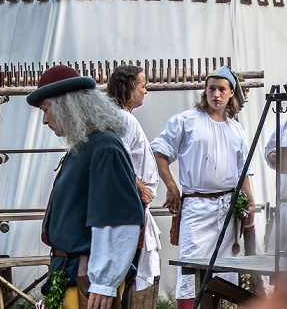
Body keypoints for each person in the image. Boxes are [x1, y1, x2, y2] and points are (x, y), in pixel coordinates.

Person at [27, 65, 145, 309]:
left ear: (68, 107)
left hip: (88, 281)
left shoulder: (105, 148)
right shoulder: (85, 145)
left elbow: (119, 219)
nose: (45, 120)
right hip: (74, 273)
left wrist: (104, 281)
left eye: (47, 110)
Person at [150, 65, 255, 309]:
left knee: (222, 270)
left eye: (221, 89)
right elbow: (159, 151)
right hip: (196, 208)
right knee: (191, 269)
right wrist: (171, 187)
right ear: (204, 92)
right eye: (211, 89)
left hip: (227, 209)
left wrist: (250, 202)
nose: (216, 94)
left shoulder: (236, 129)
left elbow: (243, 170)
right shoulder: (186, 121)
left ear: (231, 94)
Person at [107, 65, 161, 309]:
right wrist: (139, 186)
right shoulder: (122, 118)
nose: (146, 91)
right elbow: (116, 157)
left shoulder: (123, 116)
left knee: (128, 274)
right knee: (125, 274)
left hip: (133, 205)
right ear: (128, 88)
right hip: (129, 207)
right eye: (142, 86)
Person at [263, 120, 287, 252]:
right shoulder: (285, 125)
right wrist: (273, 156)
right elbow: (269, 149)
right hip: (284, 205)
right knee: (279, 264)